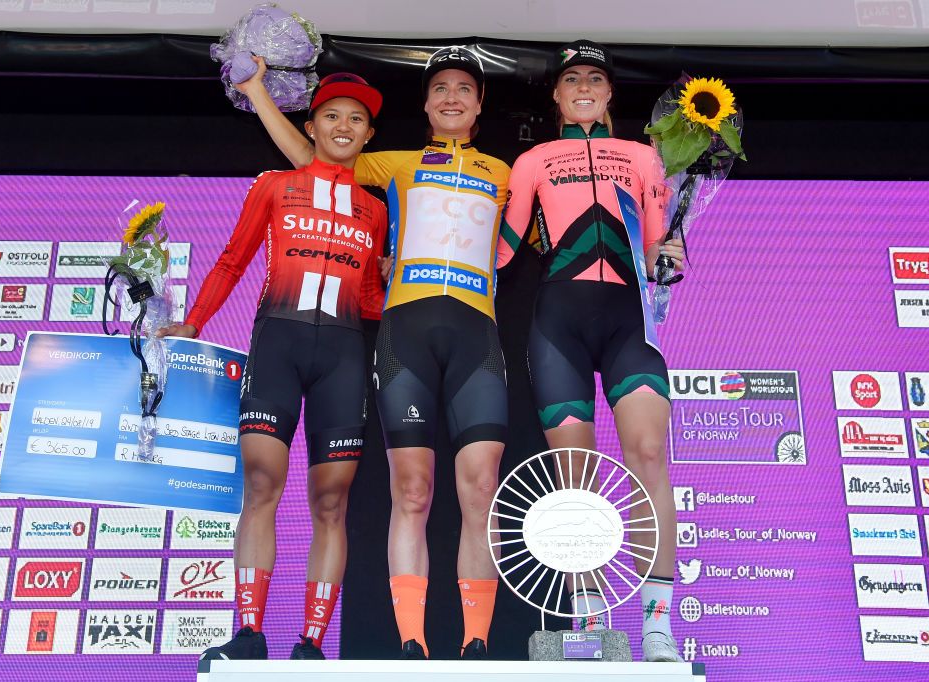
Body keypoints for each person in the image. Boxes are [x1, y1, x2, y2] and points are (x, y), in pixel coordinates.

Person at [237, 46, 510, 660]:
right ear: (426, 104)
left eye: (464, 88)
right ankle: (411, 643)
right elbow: (312, 160)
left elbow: (515, 238)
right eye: (439, 87)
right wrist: (257, 94)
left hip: (477, 336)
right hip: (405, 333)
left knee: (481, 488)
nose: (451, 97)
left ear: (480, 104)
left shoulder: (505, 172)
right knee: (411, 490)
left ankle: (478, 645)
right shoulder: (395, 163)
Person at [158, 73, 388, 661]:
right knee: (261, 484)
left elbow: (367, 301)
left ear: (369, 135)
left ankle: (311, 642)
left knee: (332, 502)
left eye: (356, 119)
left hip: (343, 356)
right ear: (310, 127)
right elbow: (234, 259)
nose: (343, 126)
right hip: (278, 347)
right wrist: (195, 322)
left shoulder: (373, 207)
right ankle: (250, 632)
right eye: (331, 115)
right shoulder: (275, 184)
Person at [497, 40, 685, 663]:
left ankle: (658, 626)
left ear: (609, 94)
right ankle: (590, 622)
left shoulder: (644, 156)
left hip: (628, 320)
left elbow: (662, 246)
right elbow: (502, 249)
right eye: (571, 77)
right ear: (555, 94)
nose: (582, 86)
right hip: (558, 321)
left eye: (594, 78)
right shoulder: (534, 161)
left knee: (648, 455)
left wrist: (672, 257)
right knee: (575, 479)